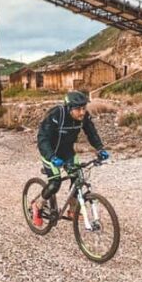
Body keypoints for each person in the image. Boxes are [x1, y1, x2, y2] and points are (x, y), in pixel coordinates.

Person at [32, 90, 109, 226]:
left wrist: (100, 148)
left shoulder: (83, 117)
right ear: (69, 108)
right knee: (55, 183)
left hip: (67, 152)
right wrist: (51, 157)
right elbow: (42, 138)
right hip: (50, 152)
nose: (82, 112)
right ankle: (38, 206)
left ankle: (72, 209)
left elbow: (91, 133)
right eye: (78, 109)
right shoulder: (57, 115)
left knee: (78, 177)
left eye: (84, 108)